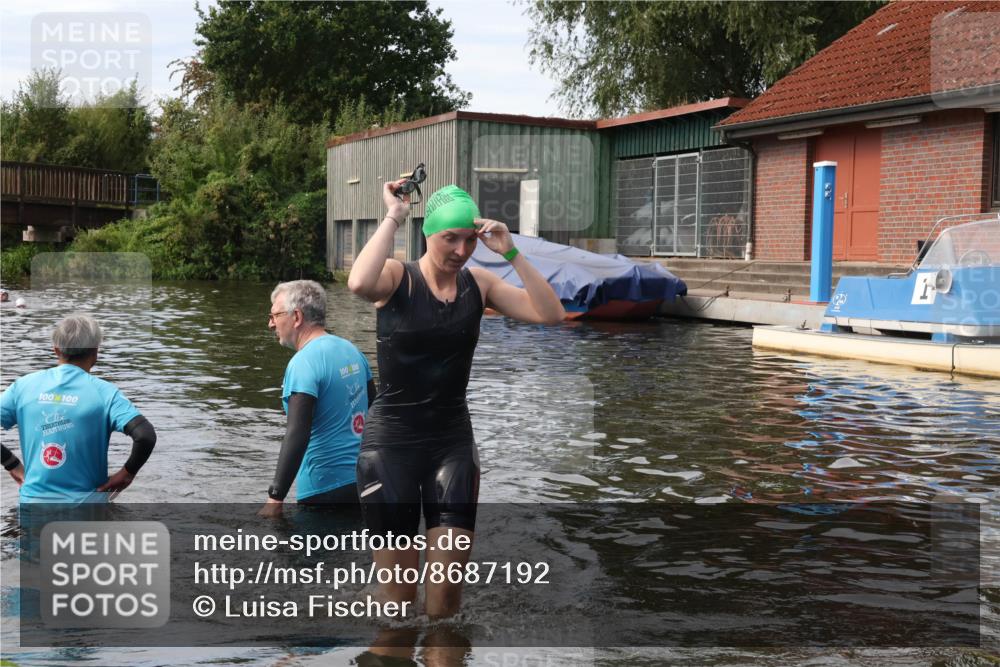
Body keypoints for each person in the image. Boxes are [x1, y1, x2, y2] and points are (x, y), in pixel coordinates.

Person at [347, 181, 564, 630]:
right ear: (430, 234)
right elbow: (358, 282)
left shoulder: (478, 284)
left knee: (445, 601)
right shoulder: (396, 277)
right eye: (451, 238)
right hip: (391, 448)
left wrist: (510, 252)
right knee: (398, 606)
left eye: (469, 239)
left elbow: (550, 314)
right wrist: (394, 214)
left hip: (452, 444)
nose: (462, 249)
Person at [0, 314, 156, 502]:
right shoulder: (105, 393)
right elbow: (145, 436)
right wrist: (127, 473)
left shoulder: (23, 386)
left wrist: (11, 463)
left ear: (56, 350)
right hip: (88, 509)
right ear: (95, 352)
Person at [262, 280, 374, 513]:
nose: (271, 324)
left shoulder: (303, 363)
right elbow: (376, 413)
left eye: (275, 315)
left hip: (323, 489)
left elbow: (297, 433)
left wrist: (275, 498)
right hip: (364, 482)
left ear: (297, 317)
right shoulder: (352, 351)